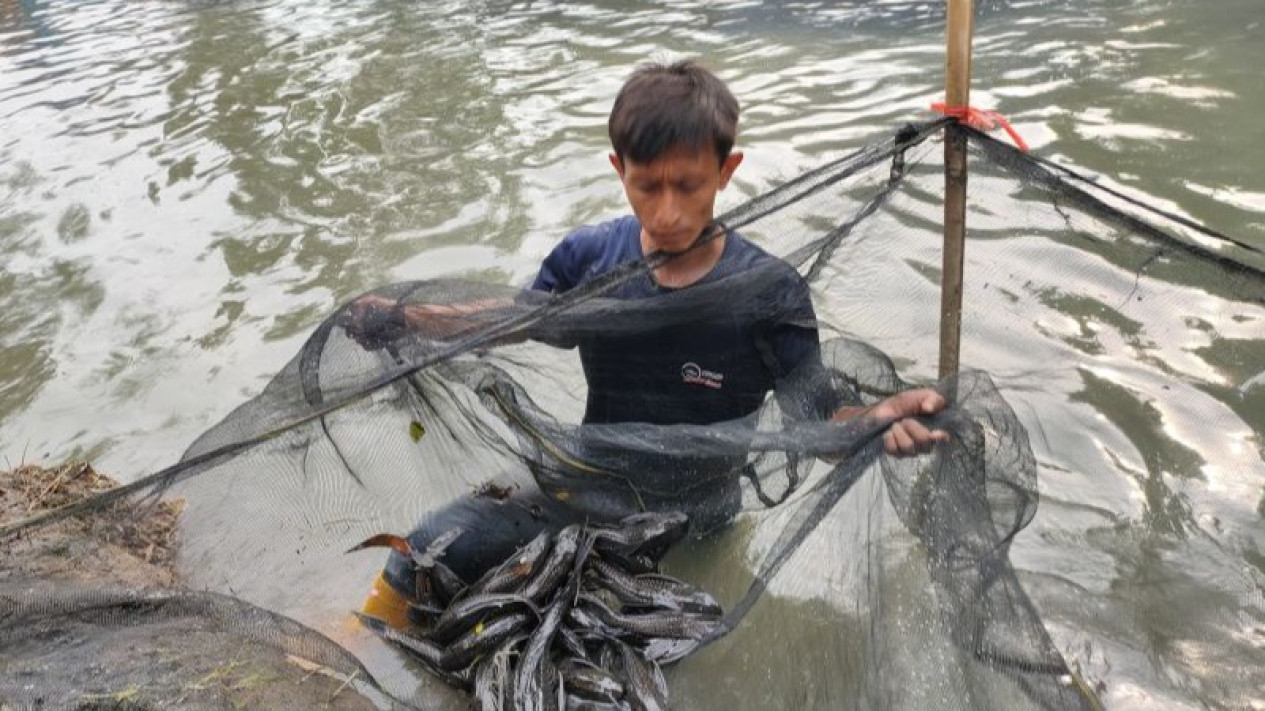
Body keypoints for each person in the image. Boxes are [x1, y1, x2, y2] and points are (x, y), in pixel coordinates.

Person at [354, 60, 947, 628]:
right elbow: (511, 320)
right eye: (647, 186)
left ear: (727, 170)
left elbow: (818, 422)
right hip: (585, 487)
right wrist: (409, 318)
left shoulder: (770, 293)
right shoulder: (589, 260)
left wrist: (875, 420)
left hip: (697, 521)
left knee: (656, 651)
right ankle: (360, 642)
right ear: (619, 170)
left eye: (688, 186)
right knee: (430, 547)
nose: (666, 212)